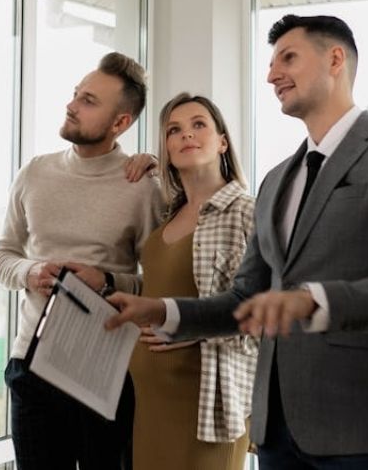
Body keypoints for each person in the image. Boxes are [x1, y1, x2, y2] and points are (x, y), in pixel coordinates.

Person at [108, 15, 368, 469]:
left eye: (288, 58)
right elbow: (246, 298)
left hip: (367, 419)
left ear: (335, 59)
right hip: (278, 429)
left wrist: (312, 302)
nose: (272, 74)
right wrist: (165, 311)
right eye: (270, 63)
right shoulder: (276, 180)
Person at [0, 51, 165, 470]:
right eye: (75, 94)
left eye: (89, 101)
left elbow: (157, 284)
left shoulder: (141, 187)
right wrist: (30, 272)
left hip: (104, 371)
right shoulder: (33, 173)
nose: (71, 105)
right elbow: (2, 256)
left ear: (120, 123)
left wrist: (106, 280)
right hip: (31, 364)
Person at [130, 93, 256, 470]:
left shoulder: (247, 213)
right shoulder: (164, 217)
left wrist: (192, 329)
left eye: (199, 124)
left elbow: (269, 314)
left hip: (210, 408)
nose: (186, 135)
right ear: (166, 150)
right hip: (149, 403)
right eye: (174, 130)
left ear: (223, 142)